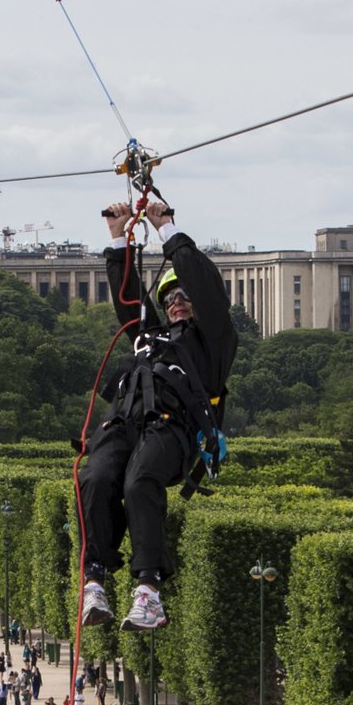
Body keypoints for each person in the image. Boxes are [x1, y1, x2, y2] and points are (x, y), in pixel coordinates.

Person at [77, 199, 236, 632]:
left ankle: (148, 588)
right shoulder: (148, 337)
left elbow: (204, 286)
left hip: (173, 428)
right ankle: (95, 577)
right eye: (171, 298)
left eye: (186, 297)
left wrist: (165, 229)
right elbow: (127, 299)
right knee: (94, 477)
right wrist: (117, 237)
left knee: (140, 479)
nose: (179, 303)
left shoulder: (214, 341)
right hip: (124, 423)